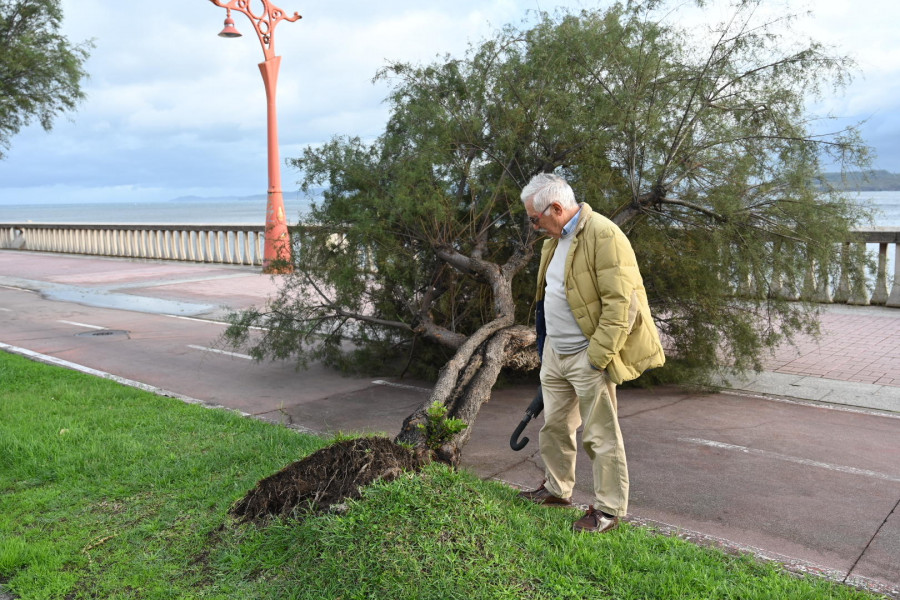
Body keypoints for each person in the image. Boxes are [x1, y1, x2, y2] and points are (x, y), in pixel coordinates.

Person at [518, 172, 665, 533]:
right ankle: (556, 489)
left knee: (599, 436)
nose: (534, 226)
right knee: (554, 426)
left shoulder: (604, 235)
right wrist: (547, 345)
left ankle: (608, 511)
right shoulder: (553, 241)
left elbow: (622, 306)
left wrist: (597, 358)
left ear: (556, 208)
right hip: (556, 351)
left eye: (535, 219)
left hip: (588, 354)